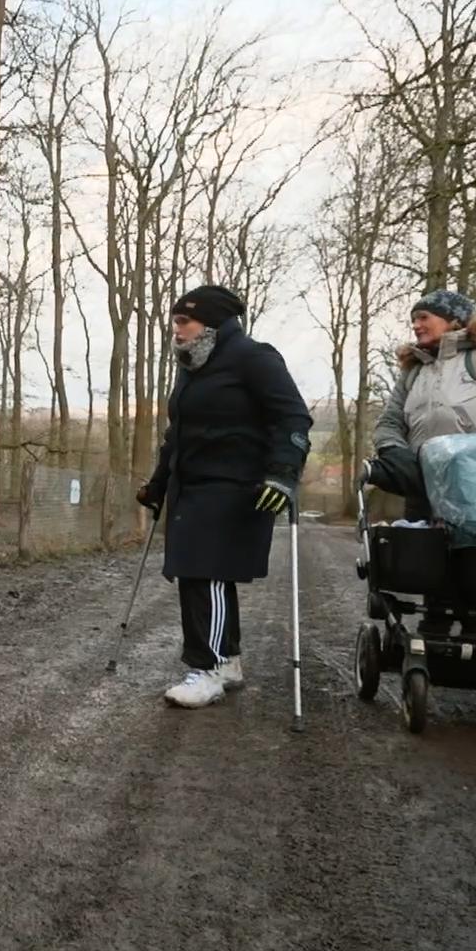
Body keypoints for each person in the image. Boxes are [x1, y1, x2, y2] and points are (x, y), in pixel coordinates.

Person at [136, 285, 312, 709]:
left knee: (205, 572)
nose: (177, 329)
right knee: (204, 574)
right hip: (192, 486)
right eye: (175, 321)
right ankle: (227, 660)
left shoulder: (254, 358)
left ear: (212, 324)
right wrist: (158, 483)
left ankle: (207, 668)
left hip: (237, 486)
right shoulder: (193, 366)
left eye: (184, 321)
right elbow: (177, 435)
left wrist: (283, 474)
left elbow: (293, 417)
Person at [370, 290, 476, 520]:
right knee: (418, 544)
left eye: (423, 318)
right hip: (423, 494)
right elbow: (389, 422)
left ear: (453, 320)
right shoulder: (413, 372)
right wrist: (394, 452)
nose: (416, 325)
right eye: (413, 319)